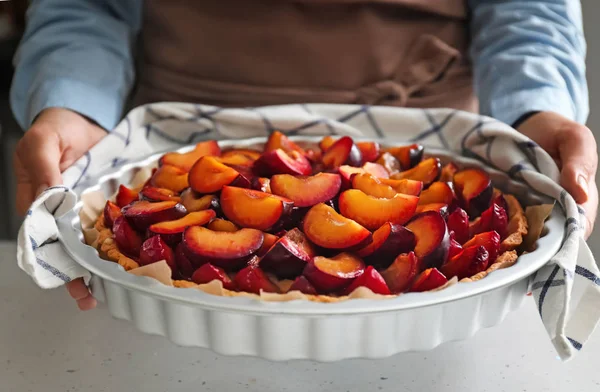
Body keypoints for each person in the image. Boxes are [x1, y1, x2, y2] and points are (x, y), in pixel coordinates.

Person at [10, 0, 598, 310]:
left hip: (432, 137)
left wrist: (533, 116)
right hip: (178, 136)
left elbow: (529, 13)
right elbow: (85, 5)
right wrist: (76, 108)